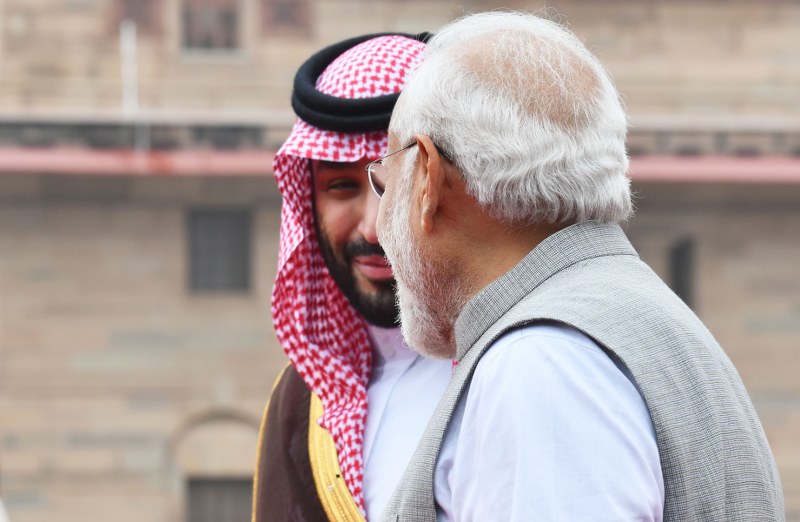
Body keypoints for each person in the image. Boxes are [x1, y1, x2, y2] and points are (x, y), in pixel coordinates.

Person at [373, 11, 785, 522]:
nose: (376, 227)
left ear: (429, 180)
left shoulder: (540, 361)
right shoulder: (625, 319)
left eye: (383, 182)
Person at [251, 33, 452, 522]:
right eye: (341, 187)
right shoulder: (298, 403)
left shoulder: (510, 368)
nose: (372, 226)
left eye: (396, 185)